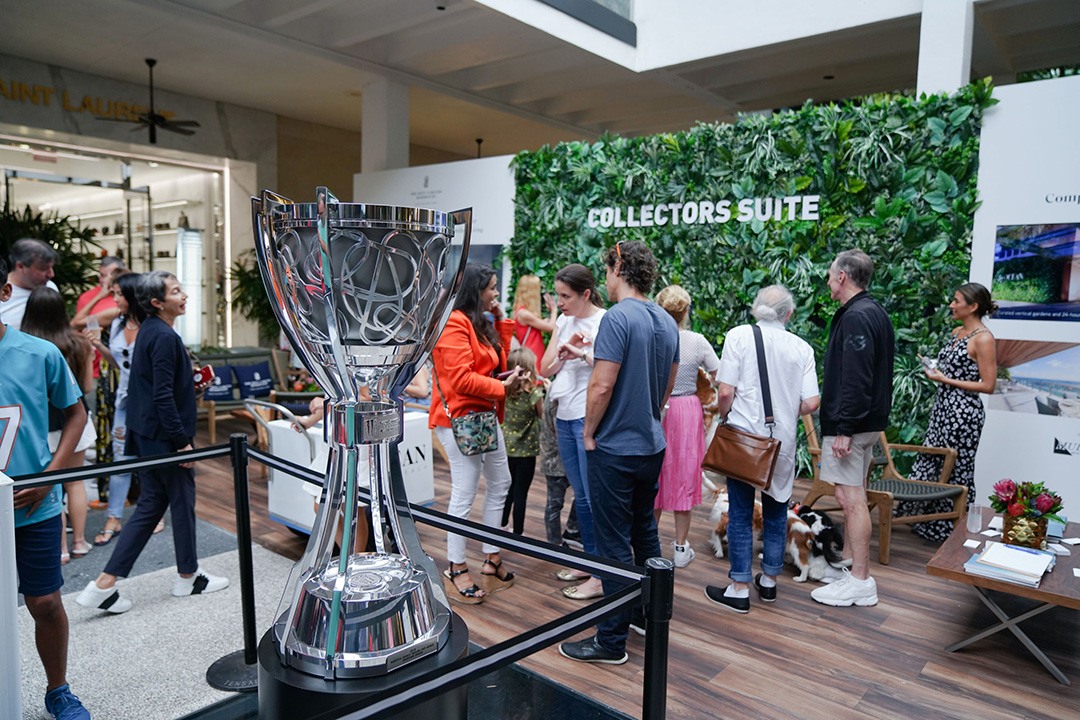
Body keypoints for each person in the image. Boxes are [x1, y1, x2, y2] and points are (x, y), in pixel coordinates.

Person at [76, 271, 229, 614]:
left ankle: (104, 584)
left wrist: (189, 386)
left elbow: (157, 387)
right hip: (162, 438)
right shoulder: (162, 336)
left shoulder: (150, 331)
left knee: (150, 506)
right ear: (158, 302)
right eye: (176, 291)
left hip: (146, 433)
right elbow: (161, 395)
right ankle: (188, 576)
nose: (184, 295)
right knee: (179, 501)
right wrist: (181, 442)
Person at [559, 240, 679, 666]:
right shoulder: (666, 320)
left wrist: (589, 432)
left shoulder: (617, 319)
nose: (605, 279)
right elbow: (668, 385)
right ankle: (647, 615)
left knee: (612, 545)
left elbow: (602, 384)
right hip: (650, 444)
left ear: (620, 268)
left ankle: (610, 641)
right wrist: (648, 415)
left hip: (616, 447)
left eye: (607, 270)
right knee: (644, 531)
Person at [0, 259, 92, 719]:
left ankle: (58, 689)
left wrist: (50, 475)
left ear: (4, 294)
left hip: (34, 503)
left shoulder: (38, 353)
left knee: (45, 601)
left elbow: (76, 413)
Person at [703, 285, 820, 613]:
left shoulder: (739, 336)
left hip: (744, 440)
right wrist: (784, 414)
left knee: (740, 512)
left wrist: (728, 416)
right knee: (776, 511)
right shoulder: (802, 348)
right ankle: (768, 582)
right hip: (781, 443)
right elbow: (811, 401)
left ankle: (739, 587)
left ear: (756, 309)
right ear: (789, 313)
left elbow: (725, 391)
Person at [429, 263, 524, 604]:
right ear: (475, 289)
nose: (497, 293)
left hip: (483, 417)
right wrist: (503, 389)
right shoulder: (453, 322)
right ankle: (455, 566)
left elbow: (498, 361)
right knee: (464, 493)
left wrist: (501, 319)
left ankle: (491, 557)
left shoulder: (478, 321)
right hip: (459, 421)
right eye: (493, 288)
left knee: (501, 482)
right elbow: (461, 379)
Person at [810, 249, 894, 608]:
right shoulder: (874, 313)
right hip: (866, 424)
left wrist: (843, 428)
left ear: (842, 277)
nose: (828, 281)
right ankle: (851, 569)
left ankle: (860, 580)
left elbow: (856, 378)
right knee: (853, 495)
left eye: (831, 275)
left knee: (851, 500)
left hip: (852, 425)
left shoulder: (858, 317)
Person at [899, 283, 998, 541]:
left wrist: (946, 380)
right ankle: (925, 520)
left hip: (964, 414)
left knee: (957, 468)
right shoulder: (957, 332)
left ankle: (950, 529)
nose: (951, 305)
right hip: (943, 409)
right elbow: (951, 370)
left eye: (956, 301)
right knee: (933, 460)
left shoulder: (983, 338)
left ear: (973, 306)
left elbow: (988, 385)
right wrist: (933, 371)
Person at [540, 264, 606, 601]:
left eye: (566, 296)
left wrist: (583, 351)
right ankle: (591, 561)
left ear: (585, 294)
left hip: (588, 418)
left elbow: (610, 370)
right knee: (581, 496)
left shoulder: (605, 320)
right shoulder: (564, 321)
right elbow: (545, 367)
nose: (560, 302)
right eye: (559, 295)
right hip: (563, 416)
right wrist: (566, 344)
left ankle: (599, 573)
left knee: (593, 498)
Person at [21, 286, 98, 565]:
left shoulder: (25, 345)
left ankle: (61, 549)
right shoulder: (78, 343)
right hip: (74, 421)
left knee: (51, 486)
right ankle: (79, 542)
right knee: (76, 483)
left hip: (41, 426)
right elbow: (86, 387)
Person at [653, 285, 720, 567]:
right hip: (687, 411)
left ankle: (650, 545)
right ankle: (681, 550)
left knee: (654, 476)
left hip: (658, 408)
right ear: (685, 312)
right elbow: (718, 373)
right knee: (683, 475)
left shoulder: (654, 337)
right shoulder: (696, 340)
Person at [84, 271, 144, 546]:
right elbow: (120, 363)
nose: (115, 298)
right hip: (123, 402)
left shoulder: (151, 325)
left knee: (151, 460)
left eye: (119, 294)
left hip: (148, 404)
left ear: (132, 295)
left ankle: (152, 512)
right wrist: (99, 346)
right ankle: (114, 517)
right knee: (121, 459)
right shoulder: (118, 323)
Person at [500, 347, 546, 535]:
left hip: (506, 449)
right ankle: (518, 532)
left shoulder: (503, 390)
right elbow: (542, 415)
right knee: (521, 494)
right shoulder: (535, 394)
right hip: (526, 452)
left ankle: (501, 524)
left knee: (507, 491)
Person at [540, 393, 580, 549]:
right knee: (555, 503)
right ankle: (554, 542)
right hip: (556, 459)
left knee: (580, 495)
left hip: (566, 457)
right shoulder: (559, 396)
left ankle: (573, 529)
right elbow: (559, 430)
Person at [1, 238, 59, 330]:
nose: (51, 274)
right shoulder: (2, 292)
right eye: (44, 268)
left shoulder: (50, 287)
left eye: (51, 267)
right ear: (20, 266)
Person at [511, 274, 557, 363]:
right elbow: (551, 327)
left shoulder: (520, 311)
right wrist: (554, 310)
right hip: (532, 355)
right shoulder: (524, 314)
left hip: (531, 354)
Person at [70, 256, 125, 331]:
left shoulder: (127, 297)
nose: (102, 280)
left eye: (106, 276)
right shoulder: (87, 296)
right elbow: (75, 325)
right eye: (101, 275)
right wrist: (99, 296)